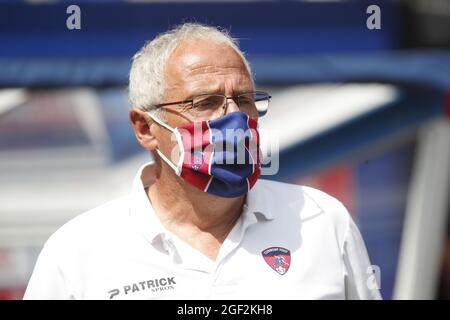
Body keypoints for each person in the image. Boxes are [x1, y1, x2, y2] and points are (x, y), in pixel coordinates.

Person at [24, 23, 381, 300]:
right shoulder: (78, 250)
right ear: (145, 127)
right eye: (205, 102)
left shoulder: (321, 221)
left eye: (243, 99)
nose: (234, 118)